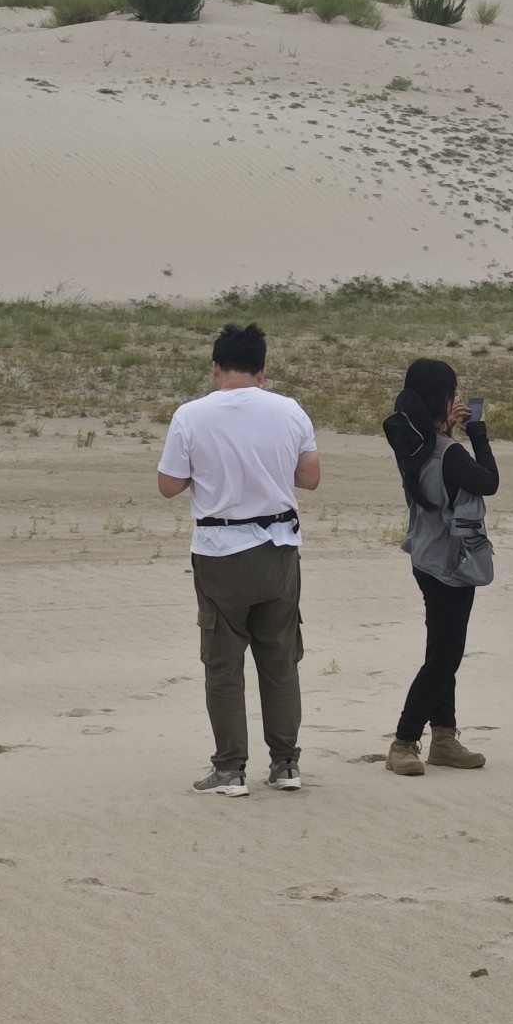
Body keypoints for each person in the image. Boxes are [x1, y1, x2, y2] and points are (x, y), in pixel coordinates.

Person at [154, 322, 320, 795]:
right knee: (280, 658)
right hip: (278, 547)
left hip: (221, 551)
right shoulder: (289, 410)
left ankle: (230, 768)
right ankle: (285, 763)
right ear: (262, 371)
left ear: (215, 368)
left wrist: (210, 472)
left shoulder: (191, 415)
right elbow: (309, 477)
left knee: (224, 663)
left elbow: (168, 485)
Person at [380, 358, 499, 775]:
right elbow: (489, 481)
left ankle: (444, 738)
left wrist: (446, 430)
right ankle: (403, 742)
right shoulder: (449, 453)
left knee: (442, 650)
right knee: (444, 659)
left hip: (426, 556)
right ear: (444, 398)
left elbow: (436, 464)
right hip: (453, 562)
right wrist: (477, 433)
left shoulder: (410, 442)